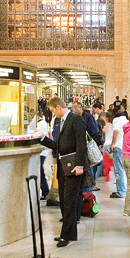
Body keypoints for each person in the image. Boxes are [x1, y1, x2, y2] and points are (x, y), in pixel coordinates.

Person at [39, 96, 87, 248]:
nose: (53, 113)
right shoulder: (61, 122)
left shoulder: (75, 119)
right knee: (65, 202)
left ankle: (66, 235)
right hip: (64, 167)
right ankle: (70, 233)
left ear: (58, 107)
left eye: (53, 110)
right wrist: (43, 139)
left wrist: (80, 165)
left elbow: (81, 143)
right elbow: (58, 146)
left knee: (69, 202)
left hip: (73, 166)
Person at [110, 108, 129, 199]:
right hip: (125, 147)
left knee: (119, 170)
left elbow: (116, 131)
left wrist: (112, 143)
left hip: (118, 147)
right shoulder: (127, 120)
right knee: (123, 170)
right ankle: (123, 189)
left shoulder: (116, 120)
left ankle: (121, 191)